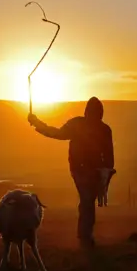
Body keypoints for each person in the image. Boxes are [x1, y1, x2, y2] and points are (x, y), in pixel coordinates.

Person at [27, 96, 114, 249]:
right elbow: (57, 133)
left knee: (87, 201)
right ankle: (85, 236)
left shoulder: (95, 128)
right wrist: (37, 123)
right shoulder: (89, 127)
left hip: (92, 172)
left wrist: (106, 174)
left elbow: (108, 156)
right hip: (80, 170)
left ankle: (84, 235)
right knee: (87, 200)